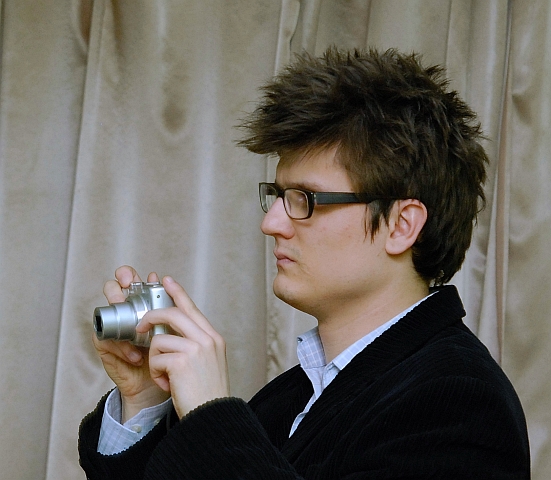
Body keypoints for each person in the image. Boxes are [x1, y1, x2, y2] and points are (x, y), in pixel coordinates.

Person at [79, 47, 530, 479]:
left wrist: (210, 414)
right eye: (278, 196)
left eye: (305, 199)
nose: (271, 223)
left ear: (401, 225)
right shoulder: (289, 397)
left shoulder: (460, 401)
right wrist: (145, 402)